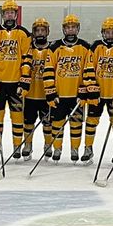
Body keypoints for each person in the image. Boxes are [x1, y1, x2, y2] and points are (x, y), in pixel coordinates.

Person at [47, 13, 95, 163]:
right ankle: (57, 148)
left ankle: (75, 148)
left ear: (77, 29)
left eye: (73, 27)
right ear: (64, 29)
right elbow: (48, 71)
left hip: (77, 96)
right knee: (57, 124)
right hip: (59, 95)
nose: (71, 30)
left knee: (76, 124)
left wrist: (85, 91)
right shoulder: (54, 47)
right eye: (68, 27)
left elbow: (89, 70)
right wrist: (50, 92)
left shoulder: (86, 47)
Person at [0, 0, 32, 158]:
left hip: (16, 84)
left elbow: (27, 58)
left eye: (12, 12)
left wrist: (24, 81)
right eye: (6, 13)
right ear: (3, 15)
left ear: (16, 14)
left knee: (17, 116)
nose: (9, 15)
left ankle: (17, 146)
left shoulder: (24, 33)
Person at [86, 17, 113, 165]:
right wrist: (91, 88)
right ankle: (88, 148)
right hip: (97, 94)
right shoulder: (96, 46)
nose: (110, 35)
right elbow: (89, 67)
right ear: (103, 33)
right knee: (91, 121)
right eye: (107, 32)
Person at [20, 18, 56, 160]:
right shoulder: (28, 49)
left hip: (46, 95)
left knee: (47, 123)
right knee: (28, 122)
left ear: (47, 32)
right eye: (37, 30)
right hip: (29, 95)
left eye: (43, 30)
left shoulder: (52, 49)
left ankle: (48, 145)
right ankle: (27, 145)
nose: (40, 32)